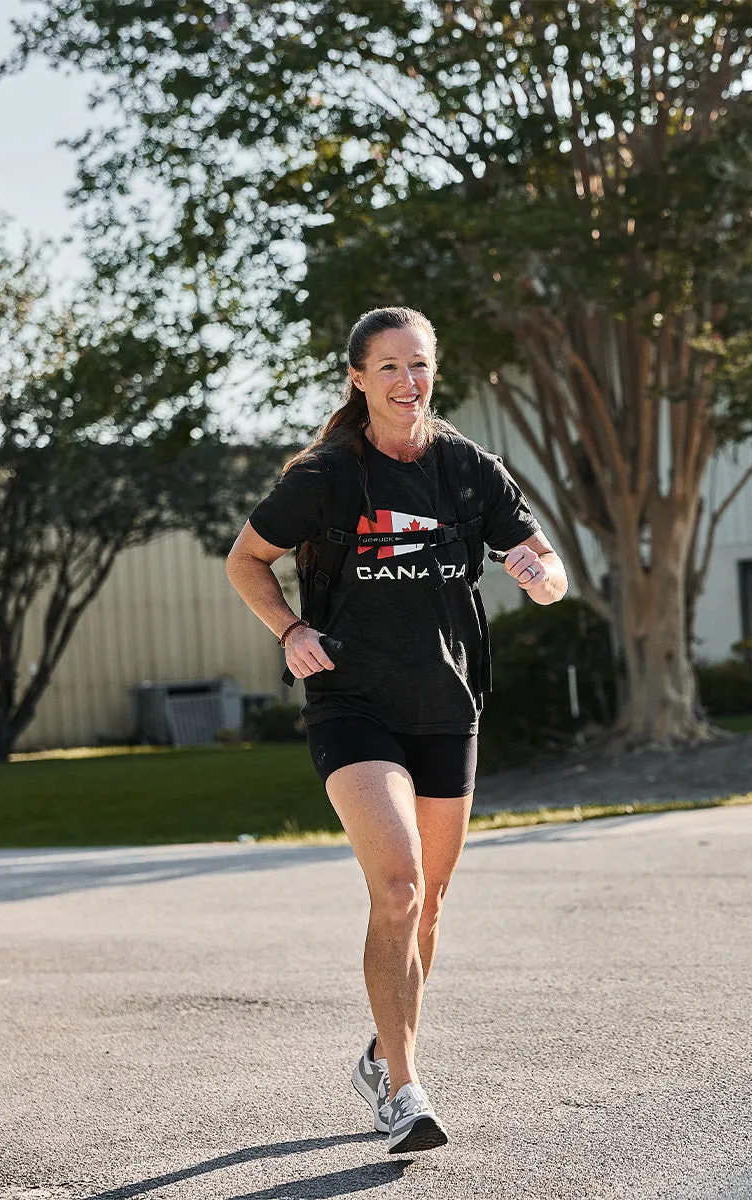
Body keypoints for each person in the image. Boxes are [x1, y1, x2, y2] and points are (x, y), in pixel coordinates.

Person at [225, 306, 567, 1154]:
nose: (407, 382)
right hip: (354, 705)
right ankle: (407, 1090)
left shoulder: (466, 470)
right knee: (400, 885)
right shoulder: (327, 477)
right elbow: (245, 559)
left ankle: (382, 1053)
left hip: (447, 705)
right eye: (388, 367)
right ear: (357, 378)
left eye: (419, 366)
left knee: (431, 906)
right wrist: (291, 630)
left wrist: (540, 574)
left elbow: (546, 565)